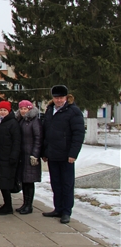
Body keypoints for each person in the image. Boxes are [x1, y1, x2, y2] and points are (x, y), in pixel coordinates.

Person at [42, 85, 85, 224]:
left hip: (66, 155)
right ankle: (58, 208)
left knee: (67, 184)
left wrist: (73, 154)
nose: (58, 100)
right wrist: (45, 151)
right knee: (56, 183)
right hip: (52, 154)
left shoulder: (73, 111)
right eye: (56, 98)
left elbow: (78, 134)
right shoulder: (49, 110)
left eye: (61, 98)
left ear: (66, 98)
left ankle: (66, 211)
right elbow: (45, 132)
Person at [0, 101, 21, 215]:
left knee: (6, 182)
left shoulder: (13, 123)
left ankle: (8, 206)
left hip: (8, 158)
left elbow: (16, 141)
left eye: (5, 110)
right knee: (1, 182)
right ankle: (6, 204)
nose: (2, 112)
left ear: (9, 111)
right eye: (1, 110)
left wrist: (14, 156)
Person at [15, 100, 42, 214]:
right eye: (21, 109)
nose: (23, 111)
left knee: (29, 181)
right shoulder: (21, 121)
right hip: (22, 155)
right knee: (24, 181)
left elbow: (38, 138)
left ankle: (29, 205)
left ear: (30, 109)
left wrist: (35, 154)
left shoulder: (34, 121)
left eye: (25, 109)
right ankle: (24, 204)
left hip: (31, 156)